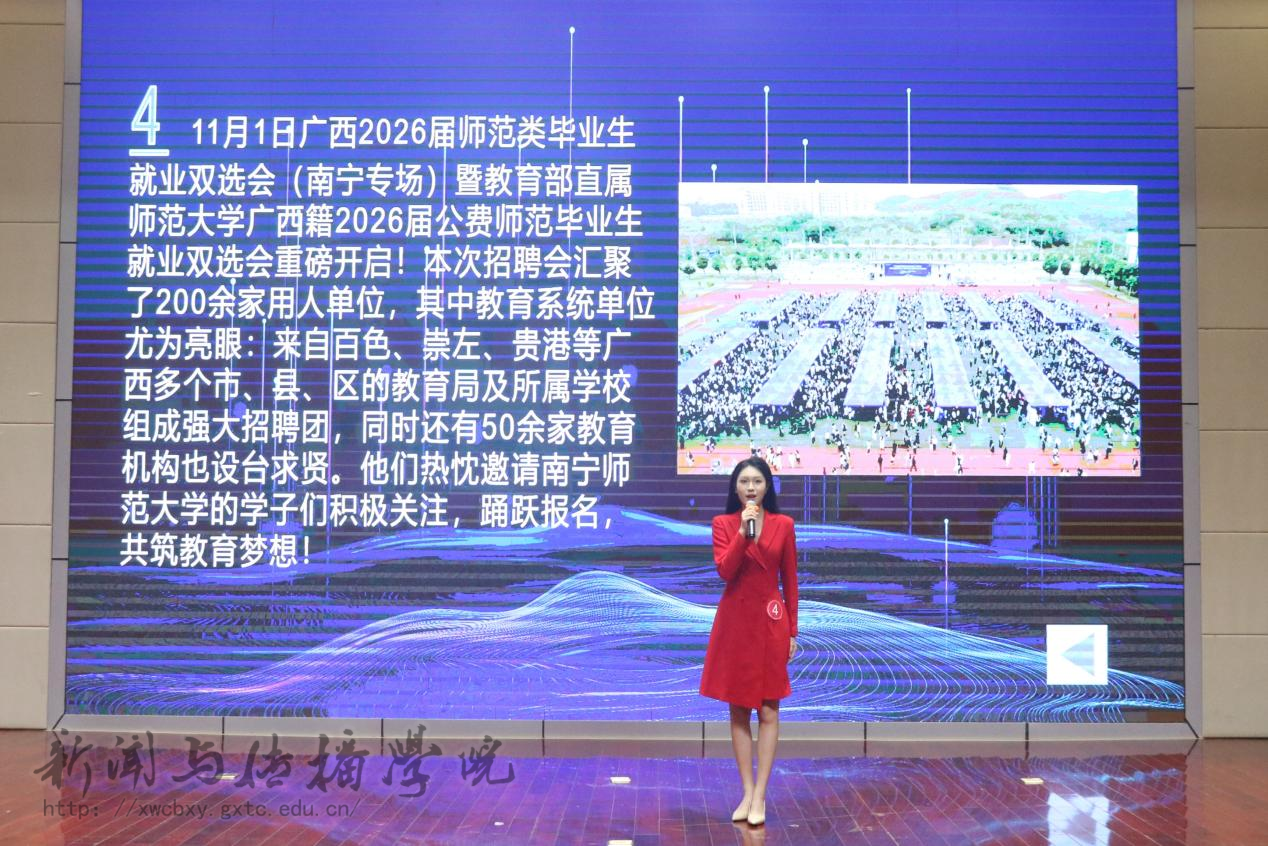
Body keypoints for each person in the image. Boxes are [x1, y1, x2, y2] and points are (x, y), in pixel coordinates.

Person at [700, 457, 799, 827]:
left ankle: (760, 796)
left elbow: (790, 580)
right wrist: (743, 532)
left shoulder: (784, 525)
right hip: (736, 622)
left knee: (769, 709)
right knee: (739, 708)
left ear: (767, 486)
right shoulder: (723, 524)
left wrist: (793, 630)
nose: (751, 488)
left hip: (771, 621)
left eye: (757, 481)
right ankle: (746, 791)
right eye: (744, 482)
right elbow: (725, 570)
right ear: (735, 488)